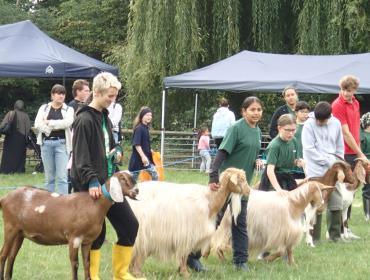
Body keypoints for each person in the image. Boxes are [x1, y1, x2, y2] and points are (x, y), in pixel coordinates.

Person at [70, 72, 144, 280]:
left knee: (130, 225)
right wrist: (92, 180)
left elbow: (111, 144)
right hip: (92, 186)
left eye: (115, 96)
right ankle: (91, 276)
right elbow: (81, 158)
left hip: (111, 185)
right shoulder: (83, 120)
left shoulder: (105, 117)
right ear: (96, 92)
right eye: (109, 96)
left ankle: (120, 274)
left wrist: (118, 149)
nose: (113, 100)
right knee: (96, 234)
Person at [192, 96, 263, 273]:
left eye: (258, 110)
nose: (256, 113)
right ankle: (192, 258)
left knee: (240, 223)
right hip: (226, 183)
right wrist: (213, 175)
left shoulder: (258, 131)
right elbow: (222, 152)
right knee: (214, 221)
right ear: (243, 111)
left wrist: (256, 160)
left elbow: (250, 151)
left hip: (241, 185)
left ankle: (240, 261)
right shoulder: (236, 128)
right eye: (252, 109)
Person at [302, 101, 344, 242]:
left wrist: (339, 165)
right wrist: (328, 162)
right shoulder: (308, 124)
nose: (319, 123)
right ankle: (314, 238)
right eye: (318, 120)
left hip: (333, 168)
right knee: (316, 202)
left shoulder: (336, 123)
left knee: (336, 201)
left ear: (329, 116)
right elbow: (309, 149)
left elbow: (339, 146)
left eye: (323, 120)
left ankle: (335, 237)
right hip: (315, 169)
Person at [332, 75, 365, 239]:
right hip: (344, 152)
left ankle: (346, 228)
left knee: (351, 191)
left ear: (355, 91)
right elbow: (345, 133)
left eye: (349, 91)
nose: (346, 94)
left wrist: (359, 149)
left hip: (354, 150)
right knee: (342, 192)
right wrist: (361, 153)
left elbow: (355, 128)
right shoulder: (337, 105)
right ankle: (337, 230)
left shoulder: (356, 103)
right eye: (344, 90)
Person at [34, 84, 73, 195]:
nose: (61, 96)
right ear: (52, 95)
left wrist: (49, 122)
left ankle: (63, 204)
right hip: (46, 144)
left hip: (62, 144)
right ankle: (48, 204)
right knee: (49, 177)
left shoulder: (69, 109)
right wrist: (50, 129)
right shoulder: (44, 108)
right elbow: (37, 124)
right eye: (58, 93)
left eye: (63, 94)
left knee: (62, 177)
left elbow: (67, 123)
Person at [260, 114, 304, 192]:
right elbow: (270, 170)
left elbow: (293, 161)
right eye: (287, 130)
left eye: (293, 130)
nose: (291, 133)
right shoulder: (275, 145)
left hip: (288, 176)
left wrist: (298, 162)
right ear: (279, 128)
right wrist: (278, 189)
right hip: (274, 179)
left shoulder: (294, 141)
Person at [0, 100, 31, 173]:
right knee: (20, 156)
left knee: (9, 155)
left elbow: (2, 125)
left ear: (15, 105)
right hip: (22, 139)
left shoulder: (11, 113)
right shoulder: (26, 115)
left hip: (10, 138)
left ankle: (7, 170)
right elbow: (28, 128)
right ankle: (19, 170)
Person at [128, 107, 158, 181]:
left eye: (150, 115)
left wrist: (149, 149)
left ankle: (153, 190)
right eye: (147, 115)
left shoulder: (146, 128)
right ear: (142, 116)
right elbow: (137, 144)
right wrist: (143, 157)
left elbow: (143, 143)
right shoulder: (139, 128)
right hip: (138, 159)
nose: (149, 117)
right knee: (132, 181)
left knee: (155, 174)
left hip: (146, 159)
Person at [292, 101, 310, 180]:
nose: (305, 114)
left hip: (307, 164)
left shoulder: (310, 126)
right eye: (302, 111)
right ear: (296, 112)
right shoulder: (291, 126)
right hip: (292, 164)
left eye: (306, 112)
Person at [360, 112, 370, 221]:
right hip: (367, 164)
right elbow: (361, 152)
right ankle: (368, 214)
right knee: (368, 189)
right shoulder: (362, 136)